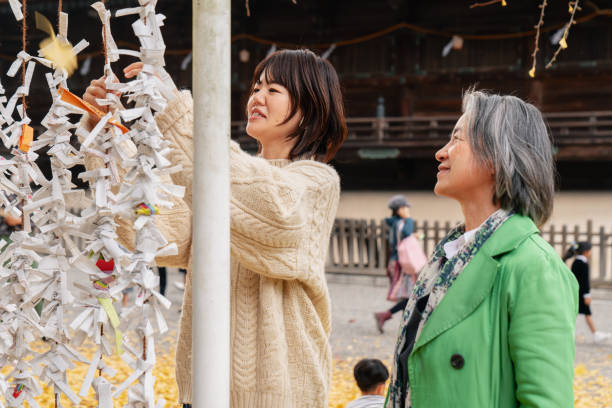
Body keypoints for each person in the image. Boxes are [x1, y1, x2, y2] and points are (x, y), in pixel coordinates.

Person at [83, 49, 347, 407]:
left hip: (278, 393)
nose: (257, 97)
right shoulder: (224, 185)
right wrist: (106, 134)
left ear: (310, 107)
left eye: (274, 90)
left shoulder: (316, 182)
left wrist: (176, 112)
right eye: (256, 87)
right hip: (203, 387)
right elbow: (155, 231)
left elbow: (270, 209)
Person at [386, 90, 578, 408]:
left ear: (495, 157)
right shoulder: (447, 259)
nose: (440, 153)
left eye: (456, 139)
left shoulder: (533, 266)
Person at [374, 195, 414, 333]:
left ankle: (404, 325)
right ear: (399, 209)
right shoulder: (404, 223)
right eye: (405, 207)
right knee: (410, 296)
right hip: (403, 263)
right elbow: (407, 233)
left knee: (406, 295)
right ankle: (385, 315)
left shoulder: (394, 223)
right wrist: (408, 219)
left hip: (394, 262)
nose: (407, 209)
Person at [563, 241, 611, 343]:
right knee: (583, 313)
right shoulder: (583, 264)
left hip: (576, 292)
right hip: (581, 294)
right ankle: (595, 334)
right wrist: (587, 295)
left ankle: (595, 334)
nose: (590, 253)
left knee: (579, 313)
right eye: (590, 251)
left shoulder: (576, 262)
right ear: (585, 252)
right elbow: (584, 282)